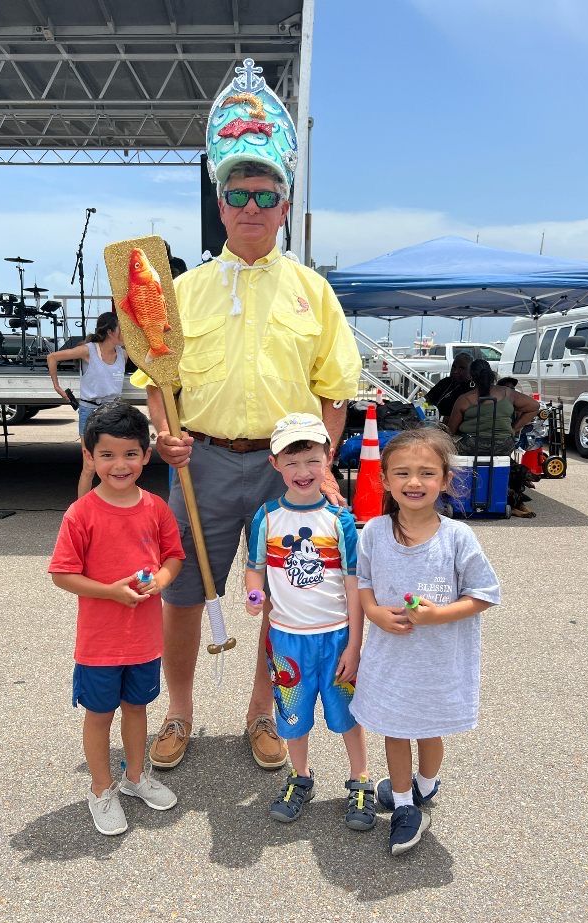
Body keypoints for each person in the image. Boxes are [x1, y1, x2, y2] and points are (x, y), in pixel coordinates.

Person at [133, 60, 362, 773]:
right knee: (183, 596)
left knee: (284, 599)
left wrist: (318, 469)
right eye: (238, 191)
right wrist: (164, 432)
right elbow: (156, 378)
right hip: (197, 461)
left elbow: (335, 389)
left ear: (285, 203)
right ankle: (180, 715)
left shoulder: (313, 292)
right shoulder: (181, 290)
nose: (252, 204)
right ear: (221, 202)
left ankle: (264, 714)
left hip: (284, 470)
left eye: (266, 192)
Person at [350, 428, 500, 855]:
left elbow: (484, 594)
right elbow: (363, 583)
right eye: (402, 473)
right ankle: (402, 805)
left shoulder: (457, 537)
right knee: (395, 731)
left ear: (445, 480)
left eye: (426, 473)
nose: (414, 482)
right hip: (390, 660)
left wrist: (438, 616)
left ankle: (425, 785)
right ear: (385, 480)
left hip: (436, 663)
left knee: (429, 732)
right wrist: (376, 612)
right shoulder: (374, 531)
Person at [48, 402, 185, 836]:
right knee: (98, 714)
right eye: (106, 455)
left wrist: (161, 580)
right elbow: (62, 574)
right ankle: (101, 787)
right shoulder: (81, 513)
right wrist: (110, 591)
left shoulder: (157, 508)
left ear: (147, 455)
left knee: (137, 708)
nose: (119, 464)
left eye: (130, 454)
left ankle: (135, 776)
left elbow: (173, 557)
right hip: (100, 643)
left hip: (144, 640)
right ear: (89, 457)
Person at [245, 413, 374, 829]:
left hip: (336, 639)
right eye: (292, 461)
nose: (303, 472)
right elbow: (255, 568)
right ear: (274, 464)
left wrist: (355, 645)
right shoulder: (265, 516)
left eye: (312, 460)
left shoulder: (340, 521)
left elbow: (355, 586)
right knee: (292, 717)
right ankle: (300, 777)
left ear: (329, 457)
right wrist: (253, 593)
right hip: (286, 641)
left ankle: (360, 780)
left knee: (347, 717)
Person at [46, 312, 127, 498]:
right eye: (121, 329)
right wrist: (57, 387)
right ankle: (81, 512)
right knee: (90, 466)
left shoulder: (123, 354)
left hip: (113, 411)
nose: (125, 333)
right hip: (90, 411)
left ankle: (111, 506)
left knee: (114, 463)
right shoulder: (89, 350)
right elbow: (52, 357)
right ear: (110, 332)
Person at [447, 358, 540, 455]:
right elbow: (534, 406)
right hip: (504, 446)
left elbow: (451, 430)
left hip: (470, 447)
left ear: (471, 377)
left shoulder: (464, 399)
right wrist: (514, 429)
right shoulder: (507, 392)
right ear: (490, 373)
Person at [423, 352, 473, 419]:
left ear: (471, 371)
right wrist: (426, 411)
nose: (455, 371)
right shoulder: (445, 382)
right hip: (431, 421)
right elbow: (426, 400)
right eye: (453, 367)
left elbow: (459, 419)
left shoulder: (472, 389)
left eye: (461, 368)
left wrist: (434, 416)